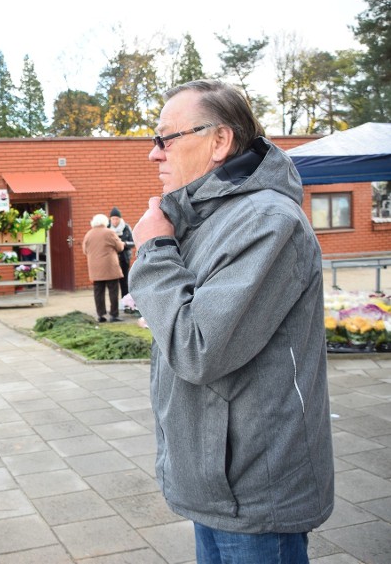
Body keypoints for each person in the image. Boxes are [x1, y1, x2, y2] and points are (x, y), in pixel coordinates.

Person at [129, 79, 334, 563]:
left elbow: (197, 348)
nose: (154, 155)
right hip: (218, 481)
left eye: (166, 138)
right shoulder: (208, 220)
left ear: (220, 141)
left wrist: (154, 250)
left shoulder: (266, 220)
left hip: (255, 490)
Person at [81, 213, 124, 323]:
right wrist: (122, 243)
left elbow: (84, 250)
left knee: (98, 292)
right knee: (113, 291)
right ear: (105, 222)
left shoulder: (88, 234)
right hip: (110, 266)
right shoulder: (109, 232)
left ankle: (101, 315)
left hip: (94, 267)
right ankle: (114, 315)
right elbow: (119, 247)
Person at [107, 206, 134, 299]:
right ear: (110, 219)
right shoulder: (107, 228)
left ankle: (125, 301)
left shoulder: (126, 227)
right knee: (113, 282)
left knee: (124, 281)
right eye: (113, 219)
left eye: (117, 219)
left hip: (124, 257)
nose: (115, 221)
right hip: (111, 258)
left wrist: (125, 244)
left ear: (120, 218)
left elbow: (133, 242)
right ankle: (114, 303)